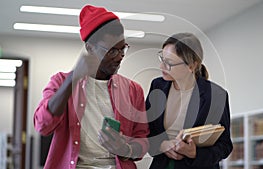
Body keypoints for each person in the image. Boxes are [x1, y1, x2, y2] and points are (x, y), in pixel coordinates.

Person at [33, 5, 149, 169]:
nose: (120, 57)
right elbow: (42, 126)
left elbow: (142, 140)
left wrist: (126, 149)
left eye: (122, 48)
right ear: (90, 48)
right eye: (111, 51)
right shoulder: (61, 82)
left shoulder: (133, 90)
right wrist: (72, 80)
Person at [146, 33, 233, 169]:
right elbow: (146, 131)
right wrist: (162, 145)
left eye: (169, 63)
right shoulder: (157, 86)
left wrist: (194, 153)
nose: (161, 67)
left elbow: (225, 145)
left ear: (192, 66)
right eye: (162, 59)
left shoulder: (216, 95)